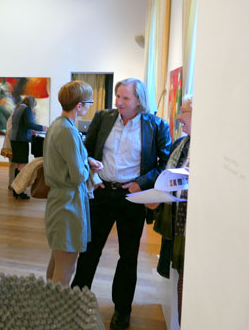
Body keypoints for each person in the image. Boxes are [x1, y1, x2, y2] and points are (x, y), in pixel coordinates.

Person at [71, 78, 171, 330]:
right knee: (89, 250)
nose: (119, 102)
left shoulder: (156, 125)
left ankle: (122, 310)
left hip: (132, 197)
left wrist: (143, 182)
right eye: (118, 96)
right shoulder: (104, 117)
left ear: (139, 100)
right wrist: (92, 175)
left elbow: (165, 162)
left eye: (126, 98)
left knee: (128, 256)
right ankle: (75, 303)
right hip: (103, 193)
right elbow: (85, 150)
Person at [43, 81, 103, 286]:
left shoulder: (57, 125)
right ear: (79, 105)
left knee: (57, 262)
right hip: (68, 204)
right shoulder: (68, 131)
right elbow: (78, 176)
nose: (89, 106)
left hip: (60, 201)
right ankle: (56, 315)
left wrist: (86, 160)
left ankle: (48, 308)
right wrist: (90, 169)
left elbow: (68, 160)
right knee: (65, 268)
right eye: (89, 102)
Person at [147, 95, 193, 326]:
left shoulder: (212, 151)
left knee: (192, 283)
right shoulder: (181, 144)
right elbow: (169, 180)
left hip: (196, 229)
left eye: (183, 111)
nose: (178, 116)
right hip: (178, 227)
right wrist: (157, 198)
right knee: (182, 281)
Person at [10, 96, 48, 199]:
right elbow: (29, 123)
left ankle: (16, 189)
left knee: (19, 165)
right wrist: (42, 127)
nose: (33, 108)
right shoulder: (26, 109)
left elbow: (22, 125)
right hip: (21, 140)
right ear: (31, 103)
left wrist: (31, 131)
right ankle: (19, 190)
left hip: (16, 140)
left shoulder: (18, 107)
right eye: (34, 106)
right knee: (22, 165)